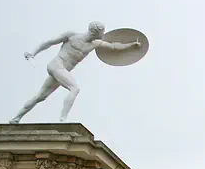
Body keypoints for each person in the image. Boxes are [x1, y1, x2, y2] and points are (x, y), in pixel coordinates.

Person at [10, 21, 142, 124]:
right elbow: (49, 42)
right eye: (102, 32)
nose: (104, 34)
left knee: (41, 96)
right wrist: (33, 53)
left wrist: (131, 45)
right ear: (95, 31)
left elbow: (113, 46)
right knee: (74, 88)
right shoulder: (72, 36)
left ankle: (16, 118)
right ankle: (63, 118)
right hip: (57, 65)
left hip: (62, 71)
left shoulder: (95, 43)